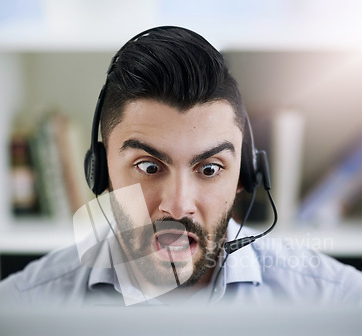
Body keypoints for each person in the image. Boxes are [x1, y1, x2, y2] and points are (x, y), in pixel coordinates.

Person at [0, 26, 360, 307]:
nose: (178, 204)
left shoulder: (340, 302)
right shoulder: (20, 307)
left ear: (244, 177)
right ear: (101, 172)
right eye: (149, 166)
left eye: (209, 169)